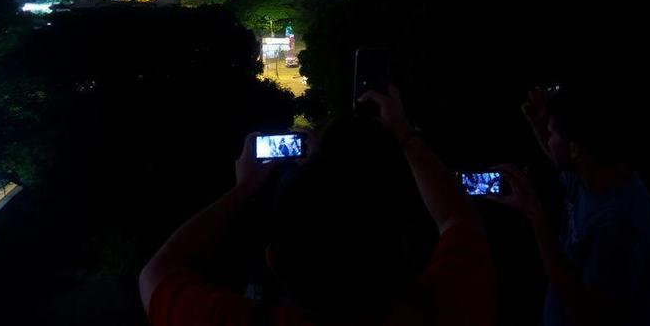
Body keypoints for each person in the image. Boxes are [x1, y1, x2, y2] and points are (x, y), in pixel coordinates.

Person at [139, 87, 496, 325]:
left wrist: (244, 188)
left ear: (273, 259)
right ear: (400, 250)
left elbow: (155, 273)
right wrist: (401, 133)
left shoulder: (234, 319)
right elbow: (458, 216)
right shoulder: (438, 310)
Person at [489, 86, 650, 326]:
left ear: (575, 148)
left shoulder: (620, 226)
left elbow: (590, 312)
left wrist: (535, 215)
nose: (547, 140)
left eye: (551, 134)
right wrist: (540, 124)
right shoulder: (591, 170)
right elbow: (560, 156)